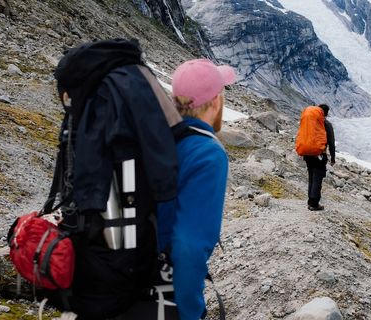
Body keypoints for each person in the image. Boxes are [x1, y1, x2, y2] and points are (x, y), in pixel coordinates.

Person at [51, 39, 185, 319]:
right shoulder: (135, 81)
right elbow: (166, 157)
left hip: (98, 225)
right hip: (127, 228)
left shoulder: (102, 86)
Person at [156, 58, 234, 319]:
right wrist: (190, 313)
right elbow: (188, 246)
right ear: (215, 102)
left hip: (125, 280)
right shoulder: (207, 153)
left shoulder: (156, 137)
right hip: (164, 293)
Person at [304, 104, 335, 211]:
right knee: (318, 178)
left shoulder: (311, 123)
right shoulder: (326, 124)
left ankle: (310, 201)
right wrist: (333, 158)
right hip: (319, 154)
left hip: (308, 154)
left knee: (311, 177)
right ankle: (314, 203)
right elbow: (331, 142)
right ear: (326, 113)